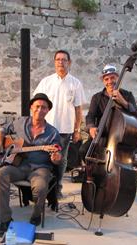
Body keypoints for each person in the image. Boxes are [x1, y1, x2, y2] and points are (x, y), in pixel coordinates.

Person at [0, 93, 62, 237]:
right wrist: (0, 143)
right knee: (0, 174)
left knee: (41, 187)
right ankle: (5, 220)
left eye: (44, 107)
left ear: (47, 110)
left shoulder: (52, 133)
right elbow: (2, 130)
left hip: (40, 168)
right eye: (37, 106)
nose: (40, 109)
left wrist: (56, 157)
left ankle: (36, 214)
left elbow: (57, 159)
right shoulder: (20, 122)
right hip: (18, 165)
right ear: (31, 107)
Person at [33, 49, 86, 198]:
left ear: (69, 63)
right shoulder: (46, 82)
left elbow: (78, 110)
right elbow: (36, 104)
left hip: (64, 130)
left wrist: (77, 130)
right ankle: (42, 189)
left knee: (61, 161)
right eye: (58, 60)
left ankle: (57, 189)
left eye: (64, 60)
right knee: (42, 158)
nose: (61, 62)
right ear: (54, 62)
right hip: (46, 128)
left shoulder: (75, 84)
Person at [79, 64, 137, 162]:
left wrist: (123, 102)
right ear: (103, 81)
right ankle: (89, 174)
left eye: (112, 78)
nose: (110, 81)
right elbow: (90, 116)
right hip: (101, 135)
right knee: (83, 151)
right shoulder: (97, 98)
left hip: (120, 139)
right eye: (106, 79)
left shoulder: (127, 95)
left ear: (118, 78)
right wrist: (91, 127)